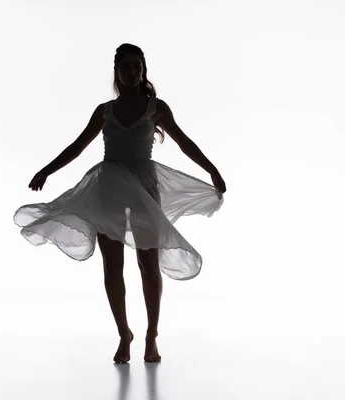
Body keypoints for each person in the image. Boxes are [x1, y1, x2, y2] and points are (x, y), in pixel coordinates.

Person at [14, 43, 226, 364]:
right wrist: (46, 170)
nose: (131, 71)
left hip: (144, 189)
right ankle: (123, 333)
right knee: (113, 268)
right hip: (109, 189)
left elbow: (184, 143)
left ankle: (151, 336)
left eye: (136, 65)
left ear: (143, 70)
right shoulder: (105, 111)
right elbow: (77, 146)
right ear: (117, 72)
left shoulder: (157, 108)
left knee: (148, 265)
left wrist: (211, 170)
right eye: (125, 66)